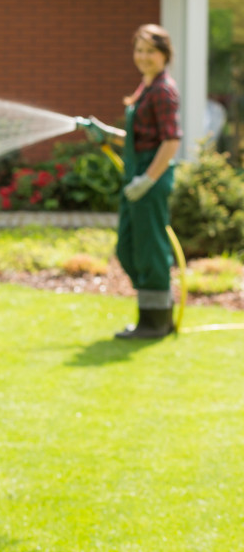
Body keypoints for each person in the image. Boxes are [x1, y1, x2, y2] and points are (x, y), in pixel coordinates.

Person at [85, 24, 182, 339]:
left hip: (149, 178)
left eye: (150, 51)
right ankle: (156, 317)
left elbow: (170, 141)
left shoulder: (164, 90)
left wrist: (147, 179)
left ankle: (154, 324)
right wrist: (107, 134)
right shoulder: (147, 87)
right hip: (138, 175)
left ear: (164, 54)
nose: (143, 57)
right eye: (138, 50)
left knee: (149, 249)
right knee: (128, 248)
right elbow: (142, 137)